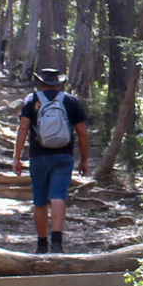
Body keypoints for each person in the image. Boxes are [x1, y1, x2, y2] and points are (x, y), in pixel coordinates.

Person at [13, 68, 89, 254]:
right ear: (59, 83)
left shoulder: (31, 100)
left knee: (39, 200)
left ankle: (41, 245)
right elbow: (82, 133)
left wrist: (17, 157)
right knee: (58, 196)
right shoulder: (71, 101)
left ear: (40, 83)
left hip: (38, 156)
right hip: (64, 156)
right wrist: (84, 160)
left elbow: (23, 129)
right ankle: (57, 243)